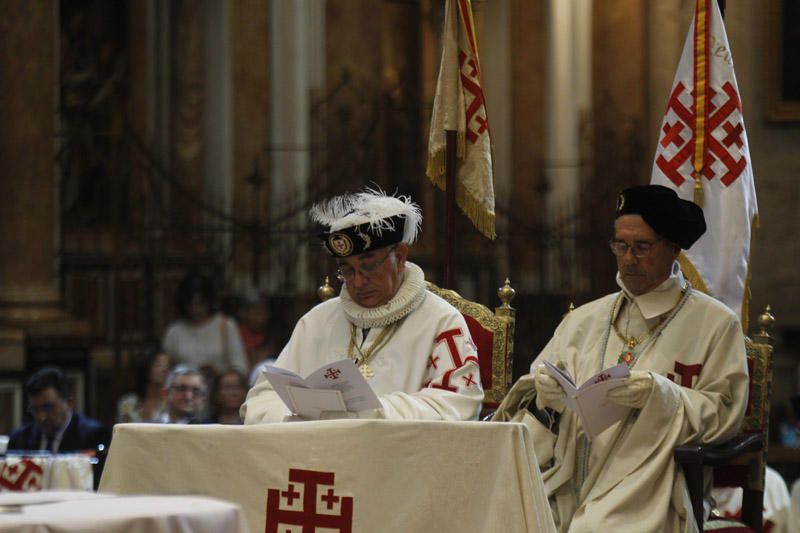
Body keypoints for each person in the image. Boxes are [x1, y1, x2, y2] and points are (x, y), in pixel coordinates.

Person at [494, 185, 749, 532]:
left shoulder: (716, 325)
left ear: (674, 248)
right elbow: (532, 400)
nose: (628, 258)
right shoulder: (584, 318)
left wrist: (659, 395)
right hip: (565, 476)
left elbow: (725, 413)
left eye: (642, 247)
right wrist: (543, 394)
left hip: (649, 482)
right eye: (620, 245)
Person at [241, 187, 483, 422]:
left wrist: (369, 413)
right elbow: (261, 399)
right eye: (347, 270)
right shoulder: (317, 321)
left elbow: (459, 404)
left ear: (399, 257)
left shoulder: (441, 320)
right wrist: (297, 419)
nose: (358, 281)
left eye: (368, 266)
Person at [162, 271, 248, 377]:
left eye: (200, 303)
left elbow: (241, 368)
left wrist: (218, 373)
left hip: (219, 390)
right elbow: (164, 370)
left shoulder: (226, 326)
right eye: (191, 303)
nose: (196, 308)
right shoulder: (174, 331)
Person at [8, 366, 110, 453]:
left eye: (48, 407)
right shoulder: (19, 439)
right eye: (35, 409)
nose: (41, 417)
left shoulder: (93, 436)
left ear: (69, 402)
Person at [116, 351, 171, 423]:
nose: (164, 369)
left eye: (167, 366)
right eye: (158, 364)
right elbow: (121, 432)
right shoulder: (127, 404)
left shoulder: (171, 404)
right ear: (146, 367)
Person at [235, 288, 277, 371]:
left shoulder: (272, 333)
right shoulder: (236, 333)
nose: (261, 316)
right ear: (242, 313)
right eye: (256, 311)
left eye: (264, 310)